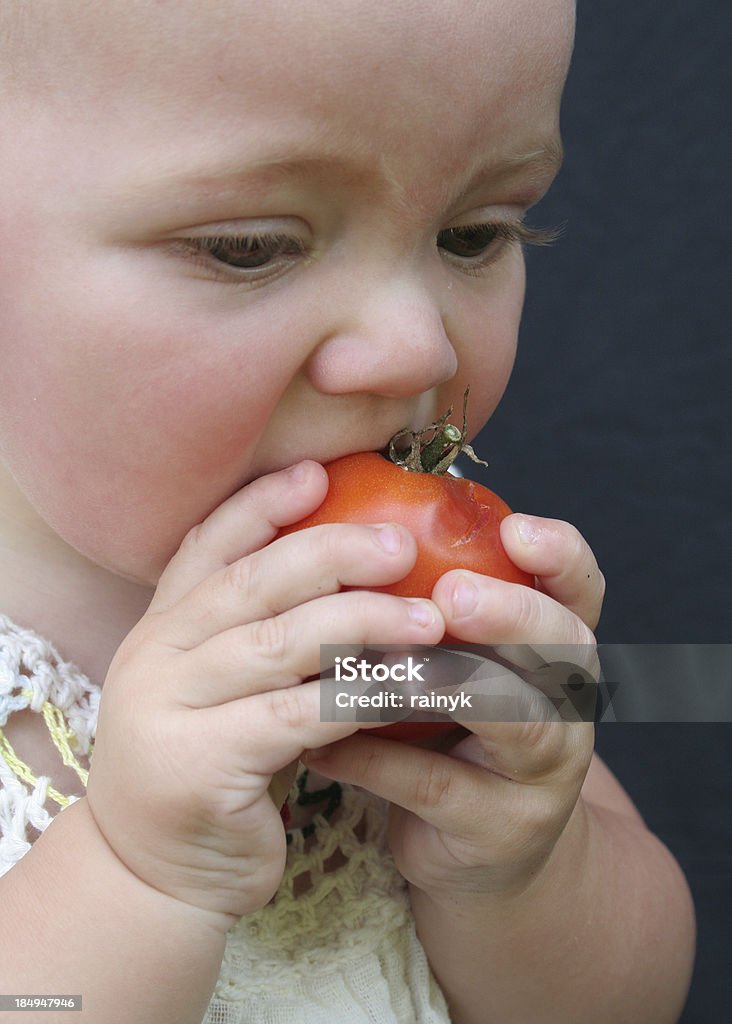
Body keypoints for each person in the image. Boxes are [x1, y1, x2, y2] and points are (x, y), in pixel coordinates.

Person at [0, 1, 695, 1021]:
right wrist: (140, 873)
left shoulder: (420, 638)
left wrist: (522, 870)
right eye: (248, 245)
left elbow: (630, 1002)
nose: (420, 347)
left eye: (473, 232)